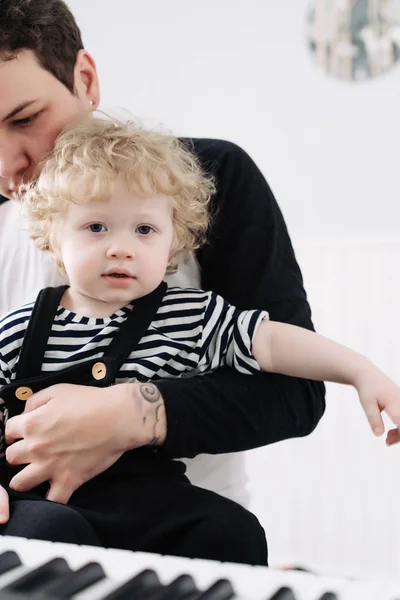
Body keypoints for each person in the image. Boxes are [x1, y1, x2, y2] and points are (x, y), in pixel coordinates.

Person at [1, 117, 400, 565]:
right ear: (53, 238)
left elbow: (270, 343)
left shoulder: (189, 315)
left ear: (172, 247)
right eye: (96, 227)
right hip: (43, 498)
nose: (121, 247)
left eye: (144, 230)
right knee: (50, 532)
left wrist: (360, 371)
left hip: (149, 499)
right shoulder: (21, 327)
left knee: (232, 529)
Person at [0, 0, 326, 540]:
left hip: (181, 542)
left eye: (26, 119)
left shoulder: (211, 179)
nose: (7, 165)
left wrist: (128, 414)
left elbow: (294, 394)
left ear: (84, 78)